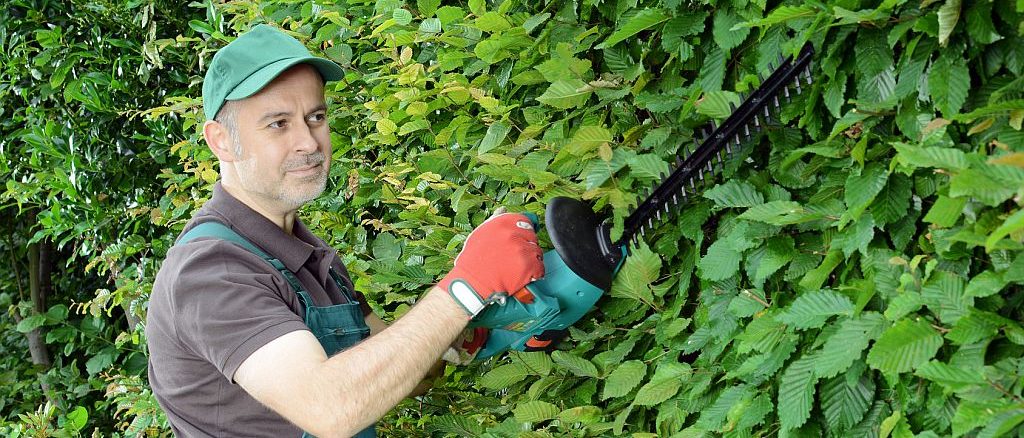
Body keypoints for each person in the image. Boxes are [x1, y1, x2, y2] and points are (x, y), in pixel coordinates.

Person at [145, 24, 545, 437]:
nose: (309, 142)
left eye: (315, 117)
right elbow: (329, 407)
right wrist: (467, 286)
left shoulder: (308, 255)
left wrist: (464, 331)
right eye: (278, 124)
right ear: (222, 141)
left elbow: (397, 375)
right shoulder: (211, 272)